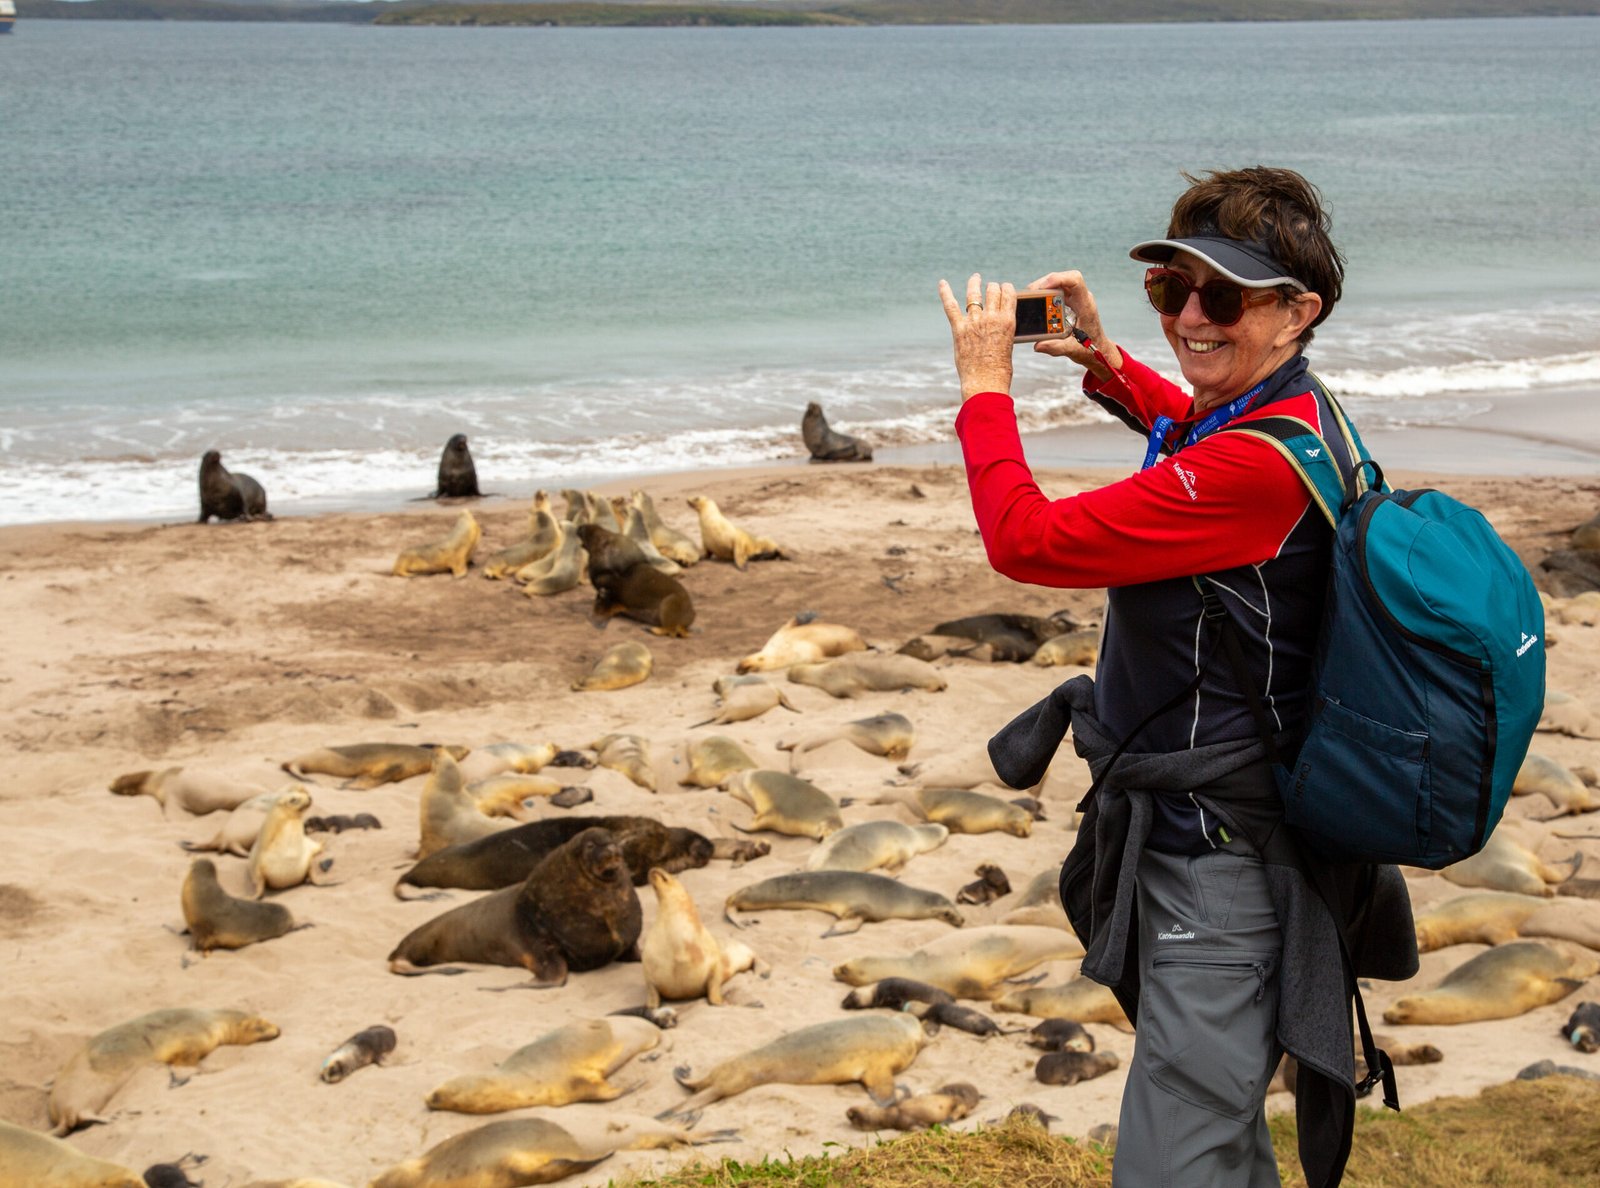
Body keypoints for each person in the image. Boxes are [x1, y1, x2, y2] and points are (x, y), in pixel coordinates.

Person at [938, 167, 1418, 1187]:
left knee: (1177, 1157)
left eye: (1224, 298)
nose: (1190, 317)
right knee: (1213, 1132)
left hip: (1218, 862)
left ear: (1298, 312)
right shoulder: (1294, 415)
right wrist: (1112, 367)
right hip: (1235, 837)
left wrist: (984, 391)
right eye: (1172, 290)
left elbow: (1024, 540)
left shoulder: (1248, 470)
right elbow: (1203, 437)